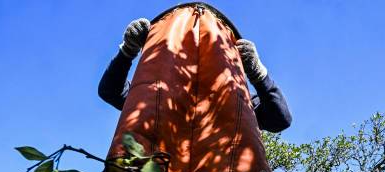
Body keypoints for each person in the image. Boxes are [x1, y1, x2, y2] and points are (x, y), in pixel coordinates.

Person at [99, 18, 292, 133]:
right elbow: (110, 91)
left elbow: (280, 119)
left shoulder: (236, 102)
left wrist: (258, 73)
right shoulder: (160, 98)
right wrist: (127, 51)